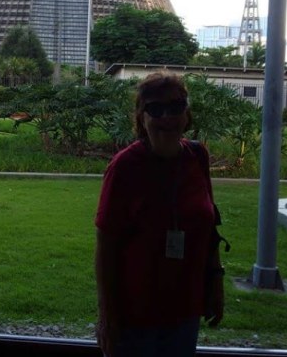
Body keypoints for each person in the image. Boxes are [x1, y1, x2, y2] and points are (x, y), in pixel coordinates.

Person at [95, 71, 225, 357]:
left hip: (185, 309)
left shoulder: (197, 157)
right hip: (135, 315)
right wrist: (107, 316)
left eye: (176, 107)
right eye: (155, 109)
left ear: (187, 114)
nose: (167, 117)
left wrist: (216, 280)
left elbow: (209, 226)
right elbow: (106, 247)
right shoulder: (125, 167)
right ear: (142, 117)